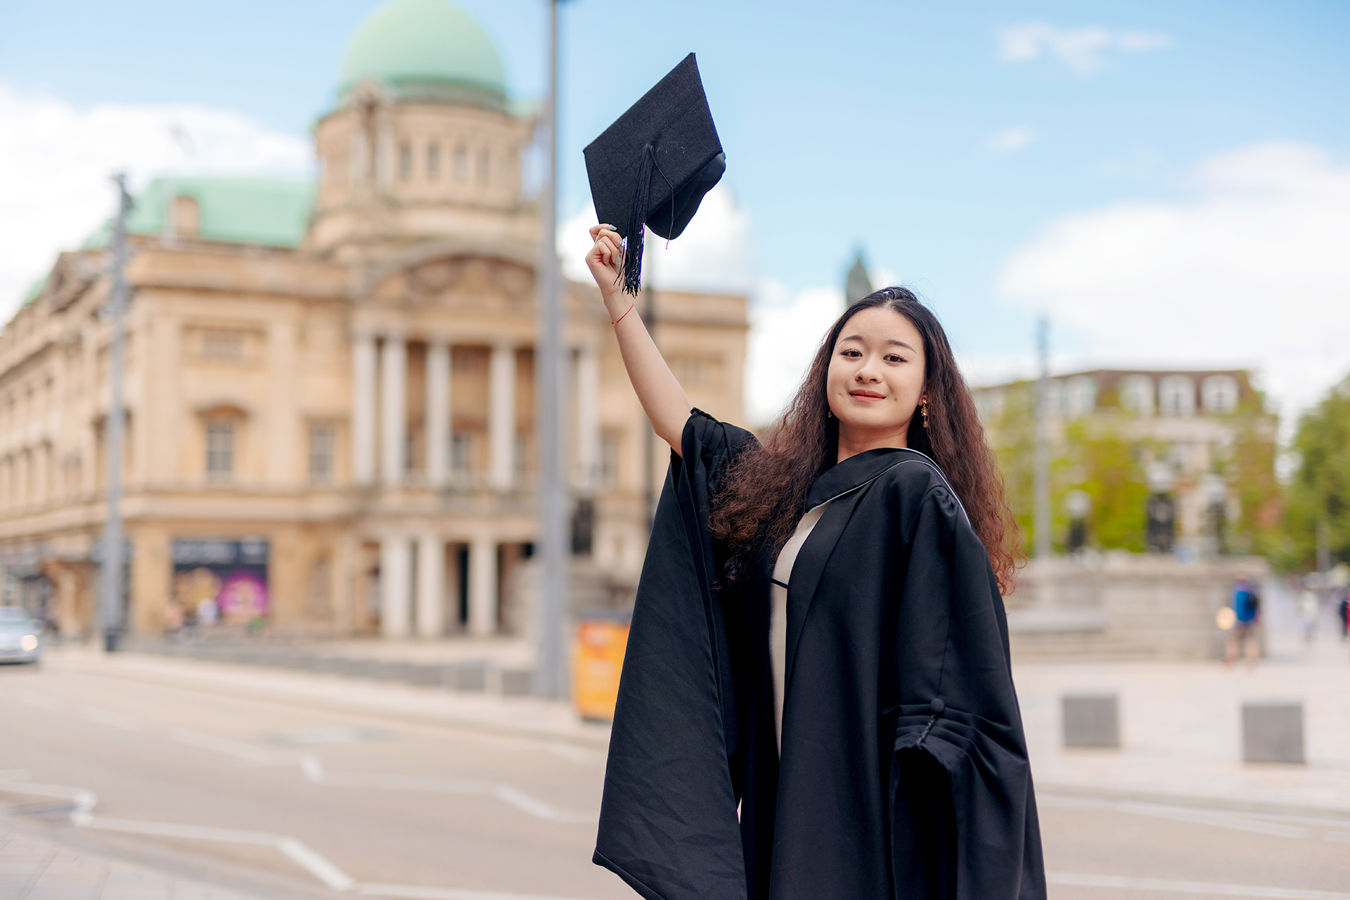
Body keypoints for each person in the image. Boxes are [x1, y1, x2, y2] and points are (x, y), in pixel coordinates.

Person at [585, 225, 1045, 899]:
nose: (866, 370)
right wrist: (619, 300)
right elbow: (682, 425)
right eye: (850, 351)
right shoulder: (783, 494)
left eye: (894, 358)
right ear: (825, 368)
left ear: (925, 392)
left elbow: (960, 679)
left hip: (862, 807)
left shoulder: (915, 496)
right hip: (783, 789)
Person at [1225, 576, 1261, 667]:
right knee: (1251, 640)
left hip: (1240, 622)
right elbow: (1256, 607)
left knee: (1234, 641)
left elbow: (1239, 609)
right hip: (1251, 620)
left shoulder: (1239, 592)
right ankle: (1252, 660)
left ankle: (1230, 660)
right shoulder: (1251, 591)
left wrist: (1240, 621)